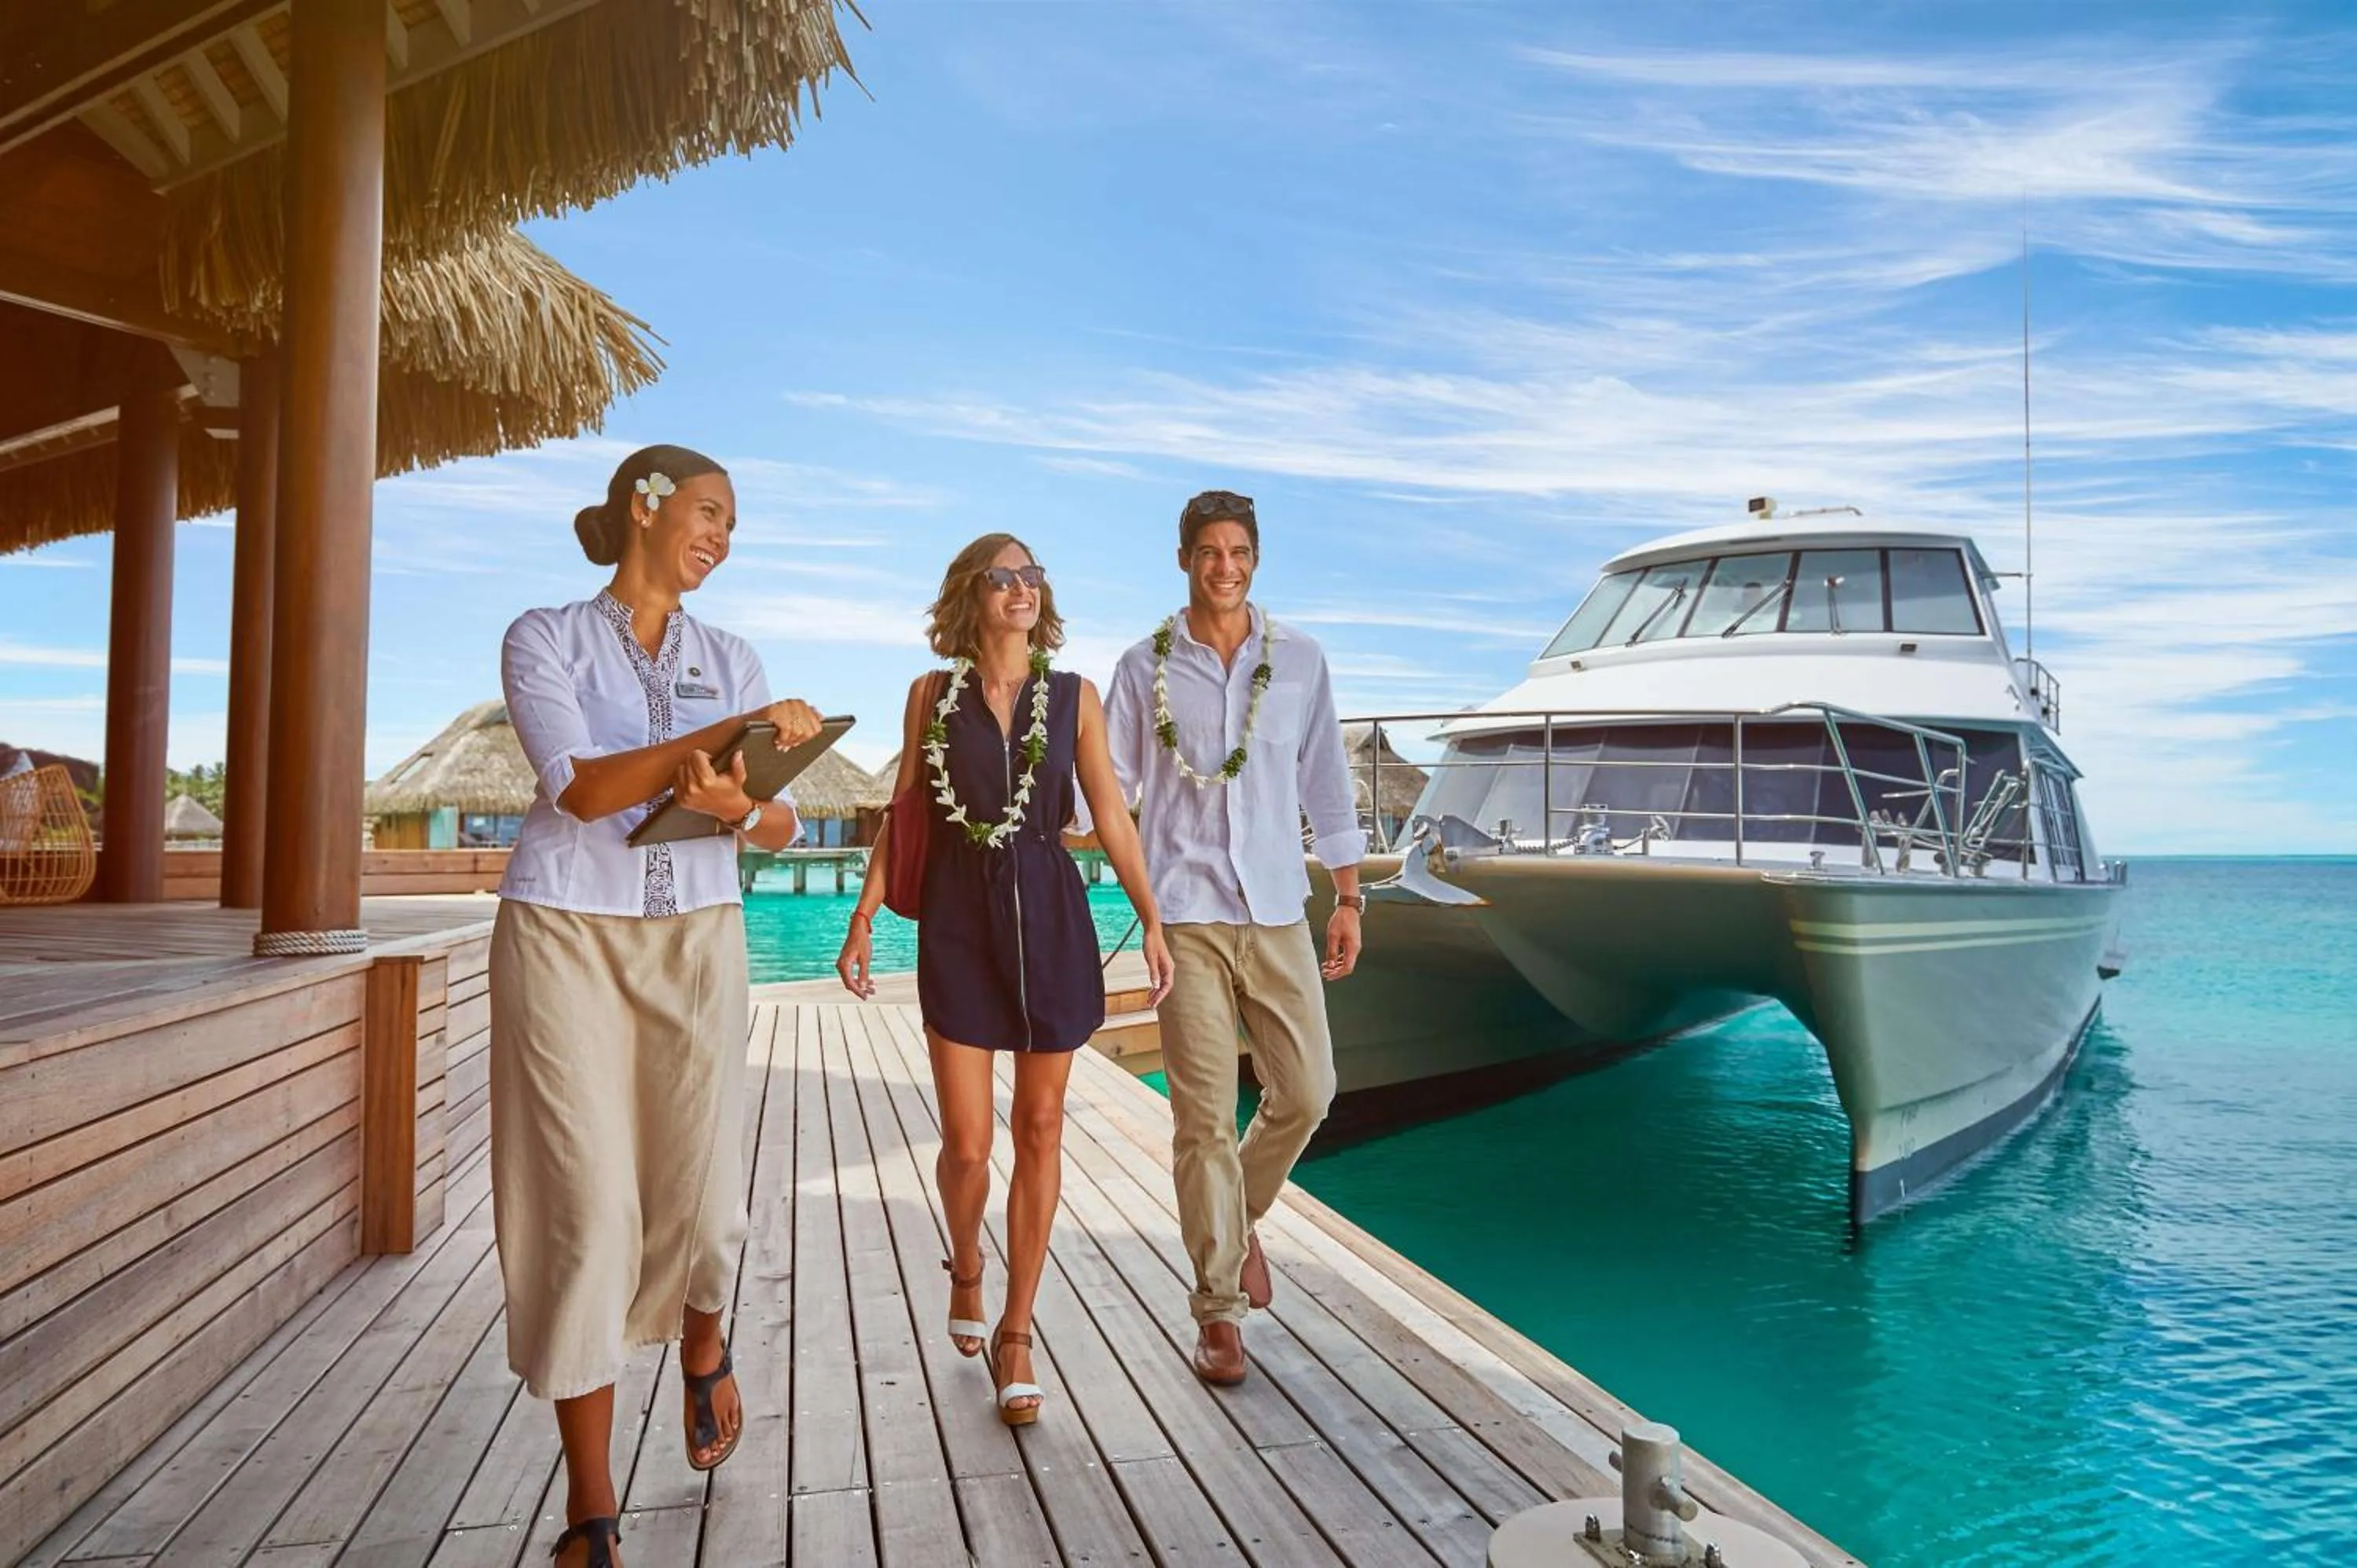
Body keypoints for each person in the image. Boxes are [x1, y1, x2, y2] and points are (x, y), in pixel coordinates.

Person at [494, 444, 822, 1568]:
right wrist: (723, 742)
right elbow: (582, 788)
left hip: (698, 936)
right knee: (583, 1214)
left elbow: (781, 825)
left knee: (704, 1185)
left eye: (732, 522)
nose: (722, 536)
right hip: (565, 936)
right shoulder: (543, 637)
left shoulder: (732, 657)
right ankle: (593, 1507)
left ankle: (702, 1337)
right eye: (708, 511)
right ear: (644, 507)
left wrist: (742, 803)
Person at [837, 533, 1174, 1426]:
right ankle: (968, 1263)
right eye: (1004, 576)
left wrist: (1153, 916)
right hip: (957, 923)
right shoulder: (929, 697)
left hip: (1051, 919)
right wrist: (865, 915)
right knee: (968, 1145)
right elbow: (907, 815)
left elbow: (1111, 814)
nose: (1022, 588)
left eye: (1034, 576)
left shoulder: (1075, 698)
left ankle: (1016, 1332)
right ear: (971, 594)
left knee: (1040, 1124)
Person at [1105, 489, 1365, 1387]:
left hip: (1279, 907)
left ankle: (1237, 1216)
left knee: (1310, 1090)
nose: (1226, 566)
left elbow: (1327, 778)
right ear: (1184, 559)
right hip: (1185, 914)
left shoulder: (1300, 660)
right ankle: (1217, 1309)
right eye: (1209, 552)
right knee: (1203, 1122)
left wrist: (1350, 894)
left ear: (1257, 558)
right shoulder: (1143, 667)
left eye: (1240, 551)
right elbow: (1114, 786)